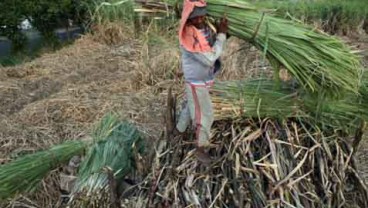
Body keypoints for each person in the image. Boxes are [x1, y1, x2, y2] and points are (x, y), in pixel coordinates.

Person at [175, 0, 228, 163]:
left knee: (191, 106)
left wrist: (221, 34)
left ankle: (179, 131)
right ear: (188, 19)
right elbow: (210, 58)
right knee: (205, 114)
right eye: (195, 18)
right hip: (196, 82)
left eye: (202, 16)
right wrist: (222, 35)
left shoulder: (204, 28)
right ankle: (200, 148)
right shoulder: (189, 36)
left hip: (204, 79)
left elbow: (211, 44)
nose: (200, 20)